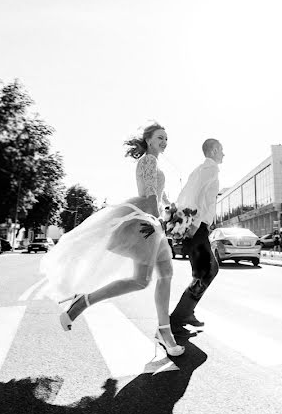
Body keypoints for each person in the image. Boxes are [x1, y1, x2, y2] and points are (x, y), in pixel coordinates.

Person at [39, 123, 184, 357]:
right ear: (148, 140)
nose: (164, 142)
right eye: (160, 137)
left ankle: (164, 331)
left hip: (152, 220)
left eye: (166, 138)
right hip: (147, 222)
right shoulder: (148, 160)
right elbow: (149, 196)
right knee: (141, 281)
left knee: (165, 275)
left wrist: (175, 212)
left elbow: (159, 196)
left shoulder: (153, 163)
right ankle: (82, 302)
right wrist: (156, 222)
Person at [169, 138, 224, 333]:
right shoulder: (210, 169)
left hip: (197, 226)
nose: (224, 154)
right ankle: (178, 317)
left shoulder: (200, 170)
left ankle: (185, 312)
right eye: (222, 150)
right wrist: (195, 223)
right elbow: (196, 197)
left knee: (203, 271)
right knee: (208, 270)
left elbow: (186, 195)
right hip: (197, 227)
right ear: (215, 150)